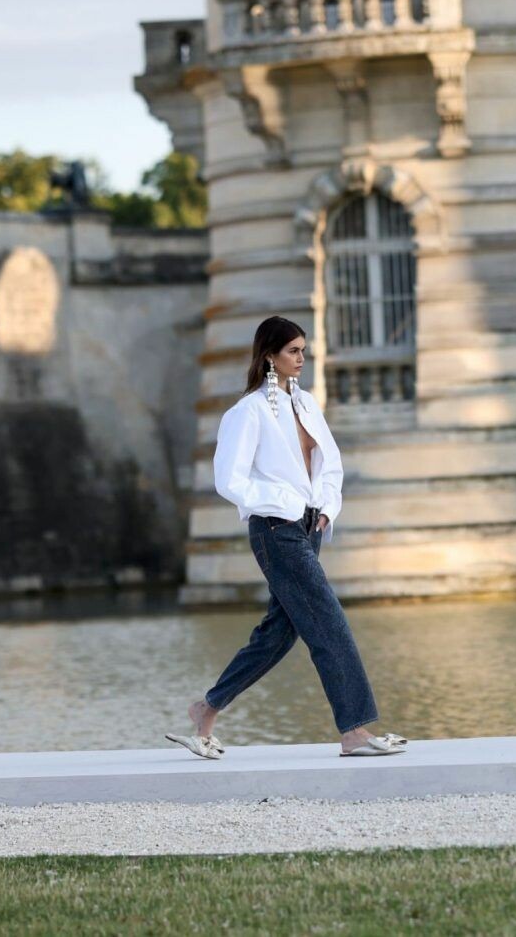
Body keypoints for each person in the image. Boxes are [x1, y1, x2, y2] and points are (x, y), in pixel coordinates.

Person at [165, 315, 407, 759]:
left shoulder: (306, 405)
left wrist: (326, 508)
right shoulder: (248, 412)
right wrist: (283, 503)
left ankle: (206, 710)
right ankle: (354, 731)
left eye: (303, 351)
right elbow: (228, 479)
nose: (301, 359)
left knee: (278, 634)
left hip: (309, 528)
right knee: (329, 623)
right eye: (293, 351)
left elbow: (330, 464)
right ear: (270, 356)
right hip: (276, 529)